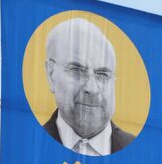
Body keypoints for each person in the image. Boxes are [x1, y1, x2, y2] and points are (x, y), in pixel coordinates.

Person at [41, 18, 135, 156]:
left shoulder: (140, 153)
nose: (92, 89)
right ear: (51, 74)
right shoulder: (29, 145)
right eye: (77, 70)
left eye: (103, 74)